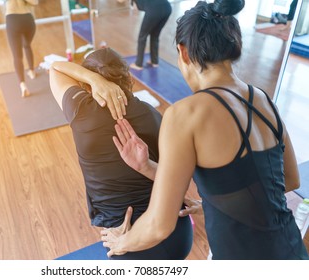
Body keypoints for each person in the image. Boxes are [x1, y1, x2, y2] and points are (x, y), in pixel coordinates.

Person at [101, 0, 309, 260]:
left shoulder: (186, 114)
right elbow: (289, 179)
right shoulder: (265, 100)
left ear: (183, 52)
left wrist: (121, 243)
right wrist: (219, 202)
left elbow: (158, 225)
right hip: (293, 252)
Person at [49, 47, 194, 260]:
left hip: (127, 241)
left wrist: (93, 79)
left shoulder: (80, 111)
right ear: (127, 77)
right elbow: (177, 178)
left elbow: (55, 68)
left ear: (87, 86)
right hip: (178, 233)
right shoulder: (155, 115)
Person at [5, 0, 38, 97]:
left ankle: (23, 85)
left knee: (17, 56)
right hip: (28, 19)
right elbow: (35, 2)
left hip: (12, 18)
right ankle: (32, 71)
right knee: (27, 45)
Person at [129, 0, 172, 70]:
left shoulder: (136, 1)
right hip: (167, 8)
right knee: (155, 35)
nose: (135, 10)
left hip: (154, 9)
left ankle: (138, 64)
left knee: (142, 37)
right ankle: (154, 61)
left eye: (134, 7)